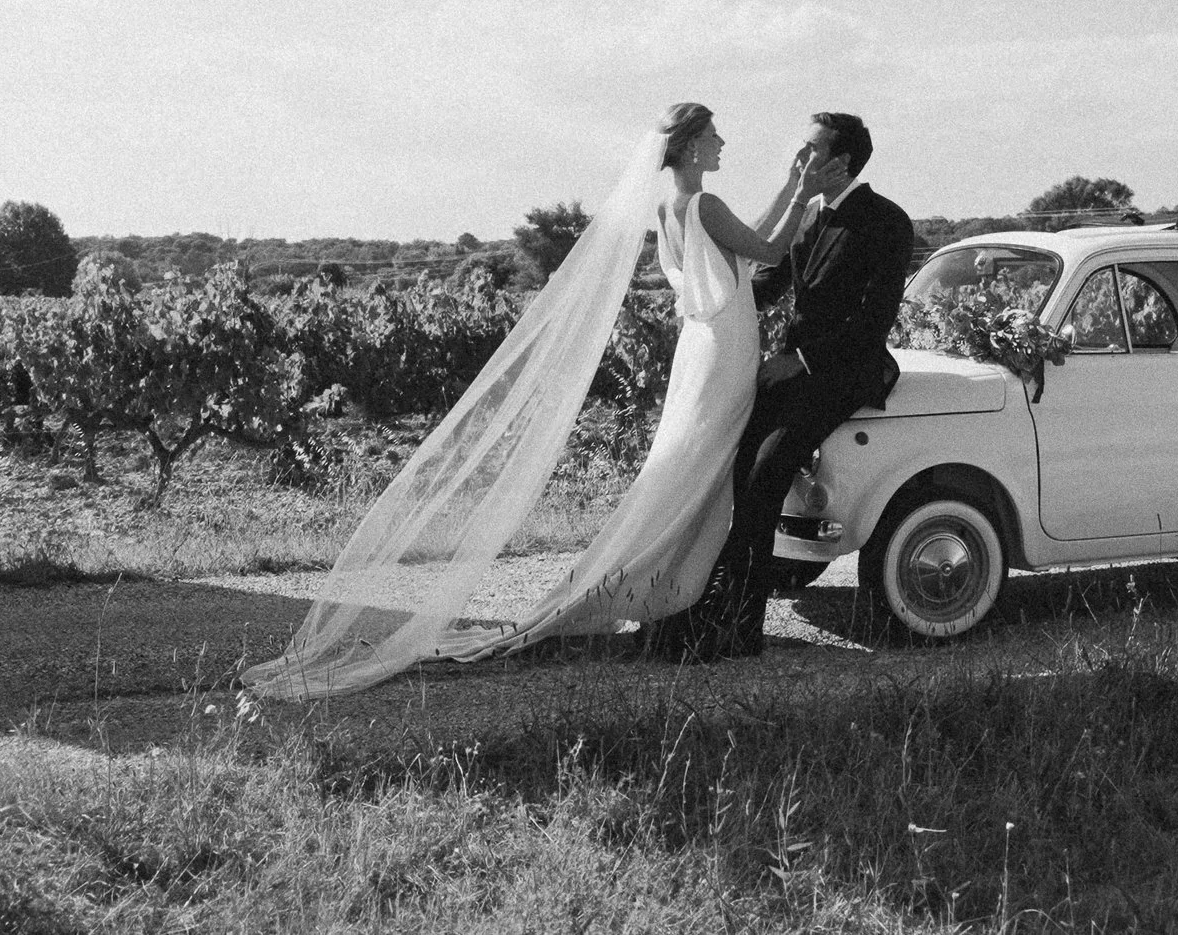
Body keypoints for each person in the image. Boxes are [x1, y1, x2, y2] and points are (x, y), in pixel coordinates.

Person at [242, 103, 833, 700]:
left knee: (688, 466)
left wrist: (791, 187)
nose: (722, 141)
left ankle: (671, 583)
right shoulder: (703, 204)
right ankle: (664, 585)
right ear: (689, 146)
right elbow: (770, 250)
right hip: (723, 349)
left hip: (706, 346)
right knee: (699, 467)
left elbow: (743, 246)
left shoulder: (674, 207)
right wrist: (803, 191)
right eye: (712, 134)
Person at [658, 111, 915, 662]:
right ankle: (707, 608)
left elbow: (875, 319)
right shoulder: (807, 217)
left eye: (809, 149)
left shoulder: (886, 220)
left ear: (840, 161)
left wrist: (799, 358)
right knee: (730, 468)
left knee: (765, 474)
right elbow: (766, 282)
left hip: (843, 371)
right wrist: (717, 325)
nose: (799, 158)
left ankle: (742, 629)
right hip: (785, 366)